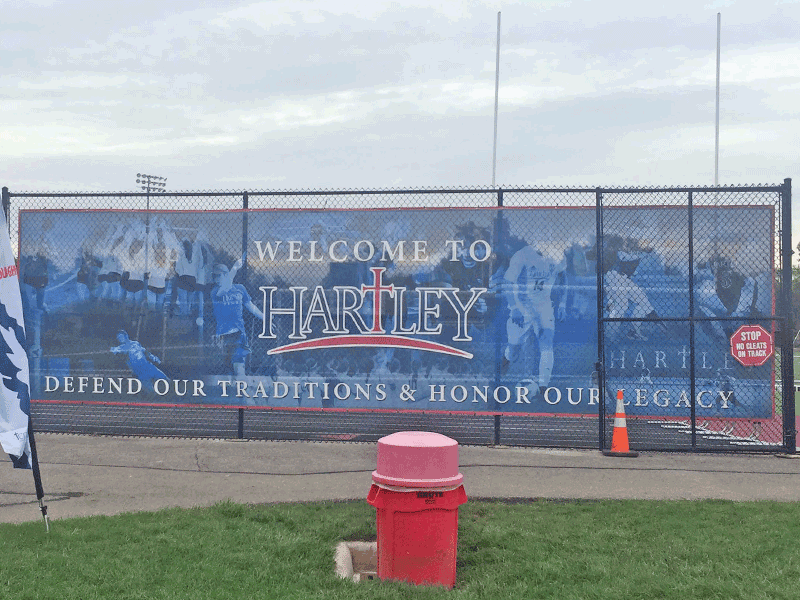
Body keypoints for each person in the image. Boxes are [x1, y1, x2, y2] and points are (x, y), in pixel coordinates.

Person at [501, 244, 568, 397]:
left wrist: (562, 304)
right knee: (514, 348)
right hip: (522, 305)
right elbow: (507, 282)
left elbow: (563, 277)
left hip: (544, 306)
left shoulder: (557, 255)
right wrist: (514, 309)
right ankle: (505, 359)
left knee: (547, 342)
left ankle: (543, 387)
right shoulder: (522, 255)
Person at [210, 254, 264, 378]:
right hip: (223, 335)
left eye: (218, 275)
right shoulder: (215, 292)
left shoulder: (240, 289)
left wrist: (265, 318)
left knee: (239, 368)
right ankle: (233, 395)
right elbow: (225, 288)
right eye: (214, 276)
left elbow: (251, 307)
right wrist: (234, 268)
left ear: (225, 274)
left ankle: (245, 396)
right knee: (228, 372)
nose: (216, 278)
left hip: (239, 334)